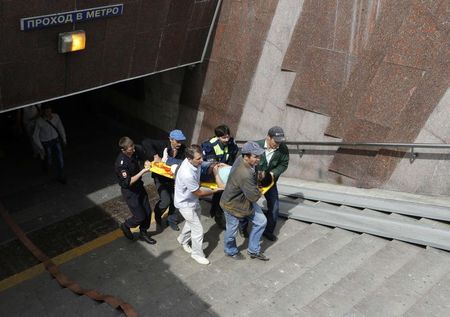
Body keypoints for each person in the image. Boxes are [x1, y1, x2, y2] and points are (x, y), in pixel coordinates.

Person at [220, 141, 269, 261]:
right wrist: (259, 190)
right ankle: (230, 251)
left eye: (259, 156)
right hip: (233, 205)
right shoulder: (245, 174)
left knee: (261, 221)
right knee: (232, 231)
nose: (259, 159)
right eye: (256, 156)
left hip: (244, 201)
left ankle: (253, 250)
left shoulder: (241, 159)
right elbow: (253, 197)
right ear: (246, 156)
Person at [174, 144, 223, 265]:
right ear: (189, 159)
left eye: (201, 157)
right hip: (185, 203)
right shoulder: (187, 173)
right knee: (198, 229)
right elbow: (199, 192)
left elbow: (203, 164)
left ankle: (182, 239)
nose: (201, 160)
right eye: (198, 159)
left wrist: (214, 165)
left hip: (192, 200)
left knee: (192, 222)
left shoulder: (195, 162)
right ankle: (197, 254)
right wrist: (214, 190)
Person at [141, 129, 187, 231]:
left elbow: (185, 162)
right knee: (166, 201)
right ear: (171, 139)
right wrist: (155, 155)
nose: (180, 144)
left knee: (176, 201)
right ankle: (158, 214)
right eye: (177, 141)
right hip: (161, 178)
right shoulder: (163, 145)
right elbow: (145, 142)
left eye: (181, 141)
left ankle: (172, 220)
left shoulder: (183, 149)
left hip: (174, 179)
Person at [115, 136, 156, 245]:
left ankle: (143, 232)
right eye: (130, 149)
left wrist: (147, 161)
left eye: (133, 146)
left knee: (147, 211)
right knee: (139, 216)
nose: (133, 149)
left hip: (139, 186)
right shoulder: (121, 164)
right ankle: (126, 225)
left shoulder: (135, 149)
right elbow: (128, 182)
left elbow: (144, 155)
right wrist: (143, 171)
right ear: (123, 150)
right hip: (130, 191)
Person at [201, 124, 239, 229]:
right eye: (224, 137)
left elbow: (233, 157)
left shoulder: (232, 142)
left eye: (228, 136)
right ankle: (217, 214)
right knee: (221, 191)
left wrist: (228, 166)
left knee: (221, 194)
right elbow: (212, 164)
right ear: (217, 137)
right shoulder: (209, 145)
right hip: (212, 171)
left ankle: (215, 212)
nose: (227, 139)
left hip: (225, 169)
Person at [256, 126, 289, 241]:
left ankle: (268, 231)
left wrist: (272, 173)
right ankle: (243, 228)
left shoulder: (283, 148)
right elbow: (244, 161)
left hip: (270, 182)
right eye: (276, 141)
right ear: (268, 138)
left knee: (274, 207)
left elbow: (284, 164)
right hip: (253, 181)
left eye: (280, 142)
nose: (278, 144)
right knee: (247, 205)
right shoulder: (256, 145)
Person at [32, 104, 67, 184]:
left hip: (55, 140)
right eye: (47, 111)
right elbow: (35, 136)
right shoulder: (39, 121)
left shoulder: (56, 117)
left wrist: (64, 138)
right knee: (49, 160)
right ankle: (45, 165)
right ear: (43, 112)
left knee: (60, 159)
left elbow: (60, 127)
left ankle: (61, 175)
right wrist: (41, 148)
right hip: (46, 142)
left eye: (50, 110)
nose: (49, 112)